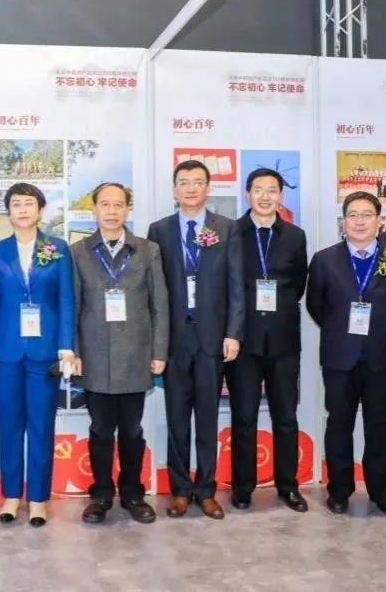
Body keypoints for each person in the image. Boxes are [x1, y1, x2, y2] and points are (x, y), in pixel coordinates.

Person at [306, 191, 386, 517]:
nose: (359, 221)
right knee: (339, 424)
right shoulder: (324, 260)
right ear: (343, 222)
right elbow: (316, 306)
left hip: (382, 357)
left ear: (379, 221)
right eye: (352, 215)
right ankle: (339, 491)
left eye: (366, 214)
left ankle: (381, 491)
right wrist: (340, 331)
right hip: (340, 357)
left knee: (380, 425)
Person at [146, 160, 244, 519]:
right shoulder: (159, 230)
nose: (191, 188)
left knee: (206, 416)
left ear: (208, 188)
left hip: (211, 337)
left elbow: (236, 284)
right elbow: (154, 291)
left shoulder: (226, 228)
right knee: (176, 417)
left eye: (198, 182)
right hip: (174, 338)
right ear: (175, 189)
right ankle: (180, 490)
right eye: (184, 182)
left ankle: (205, 489)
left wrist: (233, 333)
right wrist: (156, 341)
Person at [71, 182, 169, 525]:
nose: (111, 211)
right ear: (94, 209)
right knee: (100, 430)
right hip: (94, 355)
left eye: (118, 205)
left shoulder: (148, 250)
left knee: (131, 430)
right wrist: (74, 352)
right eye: (105, 204)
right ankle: (100, 495)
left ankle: (132, 494)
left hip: (135, 356)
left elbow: (160, 306)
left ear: (128, 209)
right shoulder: (78, 252)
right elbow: (73, 307)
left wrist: (159, 351)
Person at [0, 183, 75, 527]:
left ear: (40, 210)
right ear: (9, 212)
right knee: (9, 424)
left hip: (45, 351)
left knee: (40, 426)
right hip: (6, 351)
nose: (22, 209)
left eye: (29, 203)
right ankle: (10, 496)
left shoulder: (58, 248)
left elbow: (66, 300)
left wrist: (66, 346)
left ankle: (37, 498)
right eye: (16, 204)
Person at [229, 168, 308, 512]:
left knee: (286, 417)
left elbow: (298, 285)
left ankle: (287, 486)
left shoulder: (295, 236)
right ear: (247, 194)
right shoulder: (231, 233)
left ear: (281, 196)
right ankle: (243, 487)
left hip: (283, 341)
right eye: (258, 190)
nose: (265, 197)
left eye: (272, 190)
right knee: (244, 418)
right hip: (243, 342)